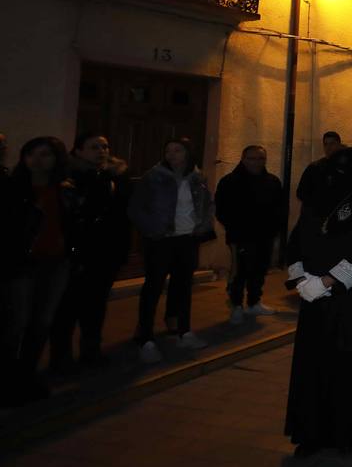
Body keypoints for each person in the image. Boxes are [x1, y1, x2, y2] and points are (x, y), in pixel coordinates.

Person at [283, 147, 352, 456]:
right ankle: (310, 431)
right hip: (314, 298)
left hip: (349, 300)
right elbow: (296, 242)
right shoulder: (316, 202)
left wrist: (329, 281)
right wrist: (303, 279)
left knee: (346, 364)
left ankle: (348, 430)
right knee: (312, 366)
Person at [0, 137, 75, 406]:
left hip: (56, 263)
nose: (37, 160)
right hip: (23, 263)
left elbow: (72, 224)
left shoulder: (64, 190)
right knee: (16, 322)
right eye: (32, 154)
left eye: (45, 154)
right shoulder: (14, 188)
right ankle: (8, 380)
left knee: (42, 322)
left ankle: (27, 375)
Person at [127, 138, 214, 363]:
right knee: (153, 287)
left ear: (188, 153)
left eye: (178, 150)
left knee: (184, 286)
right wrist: (152, 229)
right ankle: (145, 338)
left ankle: (184, 331)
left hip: (187, 239)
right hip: (161, 239)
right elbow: (136, 208)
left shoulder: (197, 176)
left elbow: (206, 203)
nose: (172, 155)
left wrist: (203, 224)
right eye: (168, 151)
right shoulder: (153, 177)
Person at [49, 134, 131, 371]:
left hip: (105, 253)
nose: (102, 151)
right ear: (78, 151)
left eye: (105, 146)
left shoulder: (115, 176)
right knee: (67, 307)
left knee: (95, 305)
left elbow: (121, 216)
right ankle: (60, 356)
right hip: (76, 252)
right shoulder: (70, 177)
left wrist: (119, 251)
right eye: (94, 147)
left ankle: (91, 350)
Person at [215, 146, 286, 324]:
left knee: (260, 269)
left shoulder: (272, 181)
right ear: (243, 159)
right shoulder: (230, 181)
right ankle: (236, 305)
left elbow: (281, 208)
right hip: (241, 236)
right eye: (252, 158)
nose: (256, 162)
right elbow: (221, 209)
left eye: (260, 159)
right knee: (240, 271)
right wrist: (235, 227)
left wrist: (274, 228)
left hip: (265, 235)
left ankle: (254, 302)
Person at [296, 131, 343, 206]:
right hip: (317, 214)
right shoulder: (314, 167)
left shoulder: (345, 168)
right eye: (325, 144)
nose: (328, 147)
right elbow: (301, 193)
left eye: (332, 144)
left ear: (339, 145)